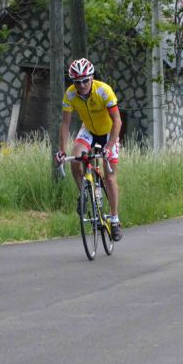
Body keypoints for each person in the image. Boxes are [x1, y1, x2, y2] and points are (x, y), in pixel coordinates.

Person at [56, 58, 123, 241]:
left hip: (108, 133)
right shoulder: (70, 94)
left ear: (92, 77)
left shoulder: (103, 91)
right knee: (75, 160)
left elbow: (117, 121)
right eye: (77, 82)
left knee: (110, 177)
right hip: (89, 131)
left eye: (85, 80)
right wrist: (61, 150)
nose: (82, 85)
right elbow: (65, 124)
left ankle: (114, 219)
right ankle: (85, 194)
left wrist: (109, 147)